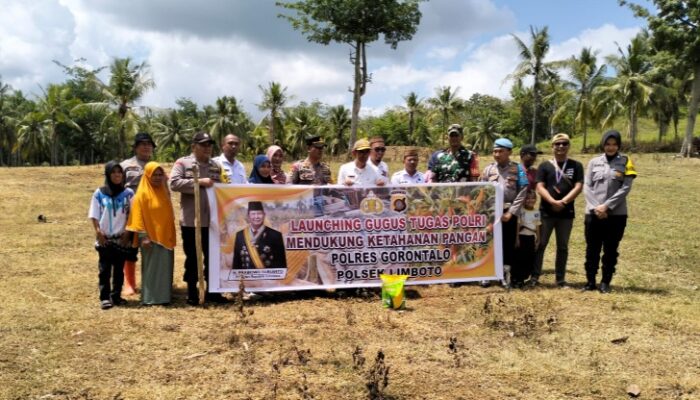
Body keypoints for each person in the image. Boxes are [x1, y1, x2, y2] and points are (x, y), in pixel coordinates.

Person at [169, 132, 227, 305]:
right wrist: (198, 182)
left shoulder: (216, 166)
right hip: (191, 221)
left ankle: (212, 291)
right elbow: (174, 183)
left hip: (212, 221)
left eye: (209, 145)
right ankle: (193, 292)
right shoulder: (183, 163)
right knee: (193, 258)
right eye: (203, 145)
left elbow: (223, 187)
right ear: (193, 146)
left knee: (212, 257)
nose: (207, 148)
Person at [582, 130, 637, 293]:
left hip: (616, 215)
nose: (611, 147)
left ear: (618, 145)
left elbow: (626, 187)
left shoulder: (626, 161)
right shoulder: (593, 162)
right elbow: (587, 186)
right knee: (592, 249)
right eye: (608, 144)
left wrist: (606, 206)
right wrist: (596, 207)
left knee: (611, 249)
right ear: (603, 144)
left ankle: (605, 282)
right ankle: (590, 281)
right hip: (593, 213)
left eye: (614, 144)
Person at [531, 133, 584, 288]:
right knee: (540, 244)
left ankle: (560, 280)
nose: (561, 146)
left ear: (568, 146)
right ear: (552, 147)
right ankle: (534, 277)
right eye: (557, 144)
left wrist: (564, 201)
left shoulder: (576, 166)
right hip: (546, 213)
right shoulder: (544, 166)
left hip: (566, 214)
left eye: (564, 144)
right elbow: (539, 186)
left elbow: (579, 186)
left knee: (563, 247)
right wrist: (552, 201)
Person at [479, 138, 528, 288]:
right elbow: (481, 190)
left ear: (509, 152)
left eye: (500, 151)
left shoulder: (518, 169)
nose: (497, 154)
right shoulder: (488, 169)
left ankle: (504, 276)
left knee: (507, 244)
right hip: (491, 212)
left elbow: (523, 191)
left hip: (508, 213)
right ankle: (486, 274)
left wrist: (512, 212)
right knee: (489, 243)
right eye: (495, 151)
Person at [126, 162, 177, 305]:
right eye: (154, 174)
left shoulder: (163, 191)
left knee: (165, 267)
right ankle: (150, 298)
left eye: (160, 174)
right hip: (150, 237)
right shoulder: (141, 194)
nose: (157, 177)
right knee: (152, 269)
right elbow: (137, 216)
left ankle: (164, 297)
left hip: (165, 236)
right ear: (147, 175)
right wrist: (143, 236)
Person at [88, 161, 134, 310]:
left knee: (119, 269)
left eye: (119, 172)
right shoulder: (99, 193)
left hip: (121, 238)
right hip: (105, 239)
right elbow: (94, 215)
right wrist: (98, 232)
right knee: (104, 269)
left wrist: (128, 233)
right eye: (113, 172)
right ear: (108, 174)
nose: (117, 175)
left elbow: (133, 215)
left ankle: (116, 296)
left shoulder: (128, 194)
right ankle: (105, 297)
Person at [120, 132, 157, 295]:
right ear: (135, 147)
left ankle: (151, 283)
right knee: (129, 248)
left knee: (151, 249)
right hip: (131, 214)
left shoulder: (156, 166)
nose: (146, 147)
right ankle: (129, 283)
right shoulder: (125, 166)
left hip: (152, 215)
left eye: (149, 144)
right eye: (143, 144)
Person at [232, 201, 287, 270]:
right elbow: (236, 263)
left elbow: (281, 264)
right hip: (246, 278)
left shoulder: (276, 235)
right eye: (253, 214)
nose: (256, 217)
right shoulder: (240, 235)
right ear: (248, 216)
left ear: (264, 215)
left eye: (259, 213)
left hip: (268, 279)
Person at [514, 190, 541, 288]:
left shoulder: (536, 212)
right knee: (520, 258)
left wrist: (538, 238)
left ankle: (525, 277)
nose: (530, 200)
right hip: (522, 237)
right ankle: (518, 279)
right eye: (528, 198)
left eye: (533, 198)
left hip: (530, 238)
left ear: (536, 200)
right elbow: (518, 225)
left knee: (529, 259)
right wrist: (517, 238)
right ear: (524, 200)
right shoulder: (521, 210)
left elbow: (537, 226)